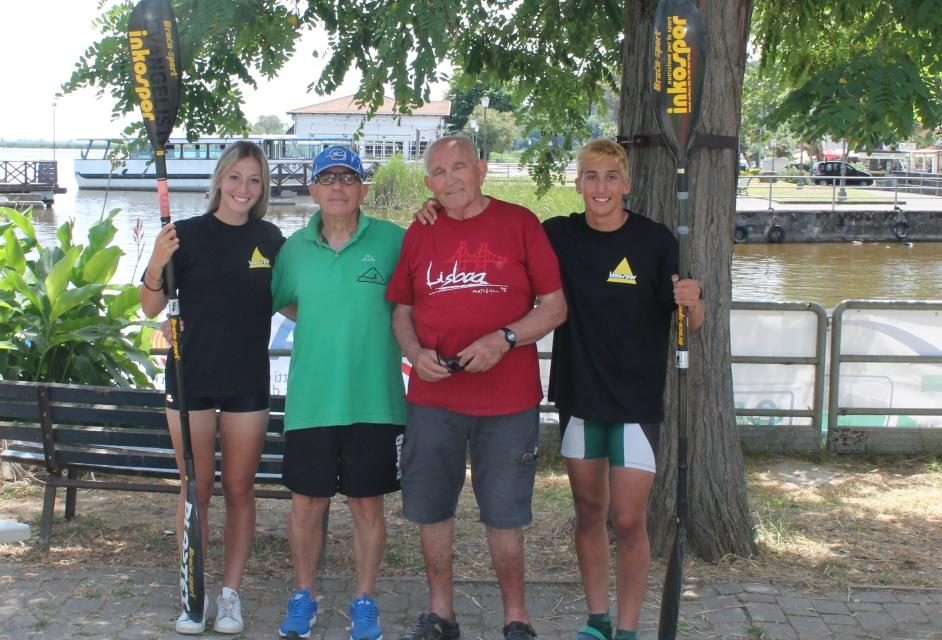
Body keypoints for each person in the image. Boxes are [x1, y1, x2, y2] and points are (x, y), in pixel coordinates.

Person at [386, 135, 567, 640]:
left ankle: (517, 618)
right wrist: (414, 352)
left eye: (460, 167)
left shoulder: (520, 223)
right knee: (431, 509)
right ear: (429, 183)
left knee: (505, 513)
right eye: (440, 172)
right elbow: (401, 310)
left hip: (507, 403)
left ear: (481, 170)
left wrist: (504, 338)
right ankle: (440, 615)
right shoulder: (420, 231)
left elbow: (555, 307)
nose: (451, 180)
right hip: (433, 399)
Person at [542, 139, 705, 640]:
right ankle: (598, 621)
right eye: (591, 176)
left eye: (611, 177)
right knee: (589, 513)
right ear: (578, 183)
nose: (601, 187)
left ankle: (630, 629)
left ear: (627, 184)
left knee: (629, 518)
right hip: (579, 397)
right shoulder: (558, 234)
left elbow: (692, 322)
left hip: (635, 403)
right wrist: (438, 206)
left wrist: (694, 302)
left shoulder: (655, 241)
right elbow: (500, 229)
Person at [140, 140, 285, 635]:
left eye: (254, 180)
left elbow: (291, 300)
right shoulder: (183, 235)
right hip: (190, 378)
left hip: (246, 379)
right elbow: (150, 307)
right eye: (236, 177)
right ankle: (193, 594)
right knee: (196, 489)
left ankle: (229, 595)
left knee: (240, 489)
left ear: (263, 188)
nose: (244, 188)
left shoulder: (271, 239)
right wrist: (157, 260)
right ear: (220, 179)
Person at [271, 146, 406, 640]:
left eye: (347, 177)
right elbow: (284, 302)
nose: (337, 186)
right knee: (306, 506)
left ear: (363, 189)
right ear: (312, 189)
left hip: (375, 400)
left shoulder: (393, 239)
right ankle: (304, 596)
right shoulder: (293, 250)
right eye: (326, 178)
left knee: (367, 506)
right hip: (311, 401)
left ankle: (364, 601)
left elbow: (419, 296)